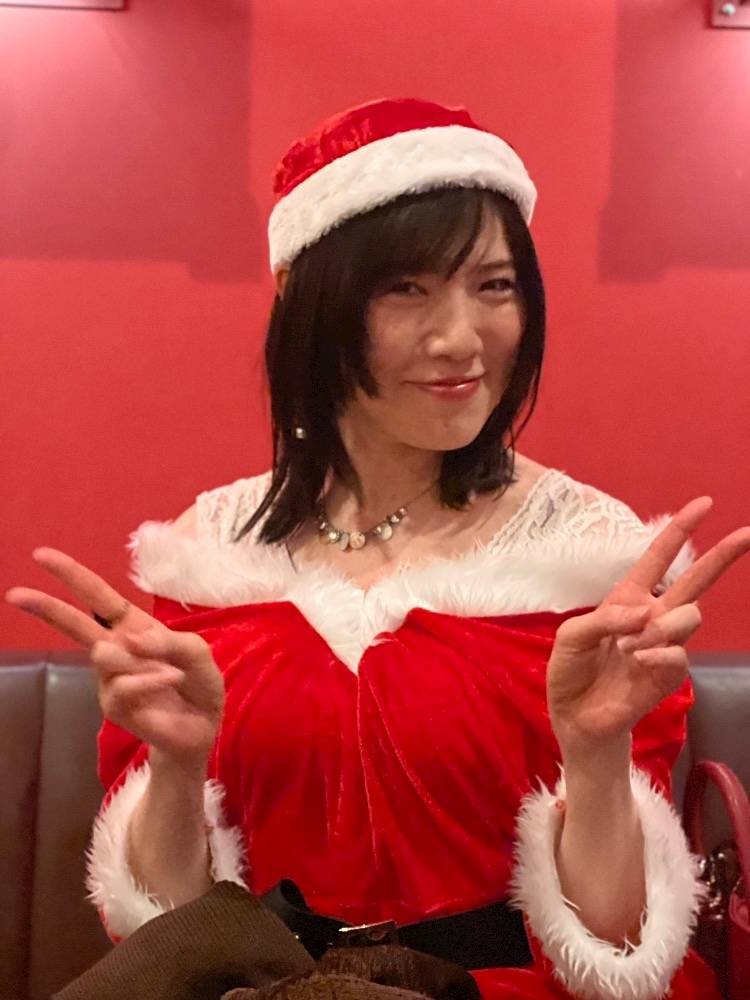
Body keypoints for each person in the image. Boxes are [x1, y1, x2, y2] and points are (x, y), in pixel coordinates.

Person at [7, 98, 750, 1000]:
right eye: (405, 288)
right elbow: (164, 933)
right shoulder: (211, 554)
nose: (461, 338)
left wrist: (595, 757)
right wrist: (175, 766)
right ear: (313, 307)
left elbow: (621, 952)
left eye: (495, 285)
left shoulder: (591, 556)